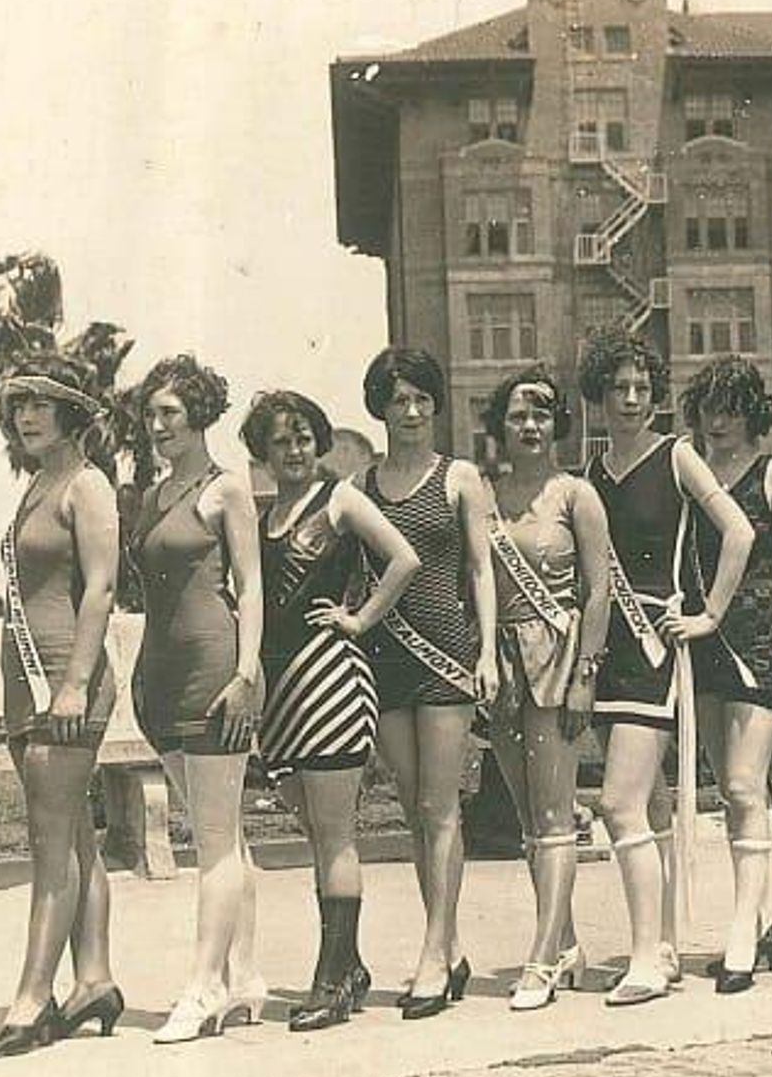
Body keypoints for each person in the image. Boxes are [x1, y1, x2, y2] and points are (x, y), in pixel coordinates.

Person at [579, 326, 754, 1006]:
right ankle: (665, 946)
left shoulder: (677, 454)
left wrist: (709, 614)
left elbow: (738, 530)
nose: (631, 399)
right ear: (598, 396)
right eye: (618, 388)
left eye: (642, 388)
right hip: (606, 645)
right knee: (647, 804)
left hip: (654, 644)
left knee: (617, 803)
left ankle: (646, 960)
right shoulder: (588, 475)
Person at [243, 389, 420, 1032]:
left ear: (319, 443)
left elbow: (404, 558)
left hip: (332, 681)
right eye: (280, 441)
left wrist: (360, 619)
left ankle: (332, 980)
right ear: (262, 452)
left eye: (303, 438)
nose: (293, 451)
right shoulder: (264, 514)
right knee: (317, 835)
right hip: (282, 694)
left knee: (335, 834)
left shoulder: (339, 499)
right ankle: (350, 966)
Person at [0, 352, 124, 1057]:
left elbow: (101, 588)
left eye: (40, 402)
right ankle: (93, 979)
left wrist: (74, 682)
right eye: (18, 405)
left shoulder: (87, 484)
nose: (26, 416)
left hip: (66, 680)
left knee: (51, 845)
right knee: (72, 839)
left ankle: (33, 996)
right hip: (26, 680)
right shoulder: (36, 484)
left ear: (72, 412)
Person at [129, 354, 268, 1043]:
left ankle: (204, 985)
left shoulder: (227, 489)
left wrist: (245, 673)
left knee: (212, 843)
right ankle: (246, 977)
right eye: (150, 415)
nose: (158, 426)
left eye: (170, 414)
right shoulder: (151, 496)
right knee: (226, 836)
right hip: (158, 674)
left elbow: (250, 584)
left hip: (214, 671)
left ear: (200, 414)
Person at [358, 347, 498, 1020]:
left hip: (444, 655)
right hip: (386, 660)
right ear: (380, 409)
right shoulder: (362, 484)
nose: (411, 412)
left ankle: (434, 953)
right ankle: (448, 944)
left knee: (441, 808)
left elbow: (481, 569)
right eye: (398, 400)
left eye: (421, 399)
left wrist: (488, 650)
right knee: (415, 808)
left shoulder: (459, 476)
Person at [478, 367, 610, 1011]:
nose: (530, 426)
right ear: (499, 426)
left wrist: (586, 674)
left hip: (558, 660)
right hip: (503, 664)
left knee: (556, 815)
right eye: (517, 416)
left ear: (557, 425)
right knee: (529, 817)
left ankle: (541, 958)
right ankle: (568, 944)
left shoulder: (575, 495)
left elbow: (599, 590)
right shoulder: (485, 495)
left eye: (541, 415)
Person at [679, 358, 772, 993]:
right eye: (708, 407)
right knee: (730, 793)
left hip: (759, 641)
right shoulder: (692, 473)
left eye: (730, 408)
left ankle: (740, 938)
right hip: (702, 643)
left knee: (744, 784)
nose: (718, 421)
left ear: (751, 413)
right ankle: (758, 922)